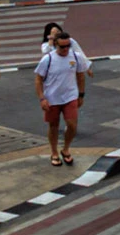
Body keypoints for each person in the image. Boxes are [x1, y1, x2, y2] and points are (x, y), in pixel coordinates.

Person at [31, 30, 91, 166]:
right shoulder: (48, 59)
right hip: (52, 98)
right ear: (55, 45)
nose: (65, 49)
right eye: (62, 47)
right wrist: (42, 98)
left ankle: (66, 149)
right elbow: (38, 80)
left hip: (70, 96)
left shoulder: (75, 57)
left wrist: (81, 94)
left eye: (68, 46)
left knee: (72, 125)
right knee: (53, 126)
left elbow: (80, 76)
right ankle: (54, 152)